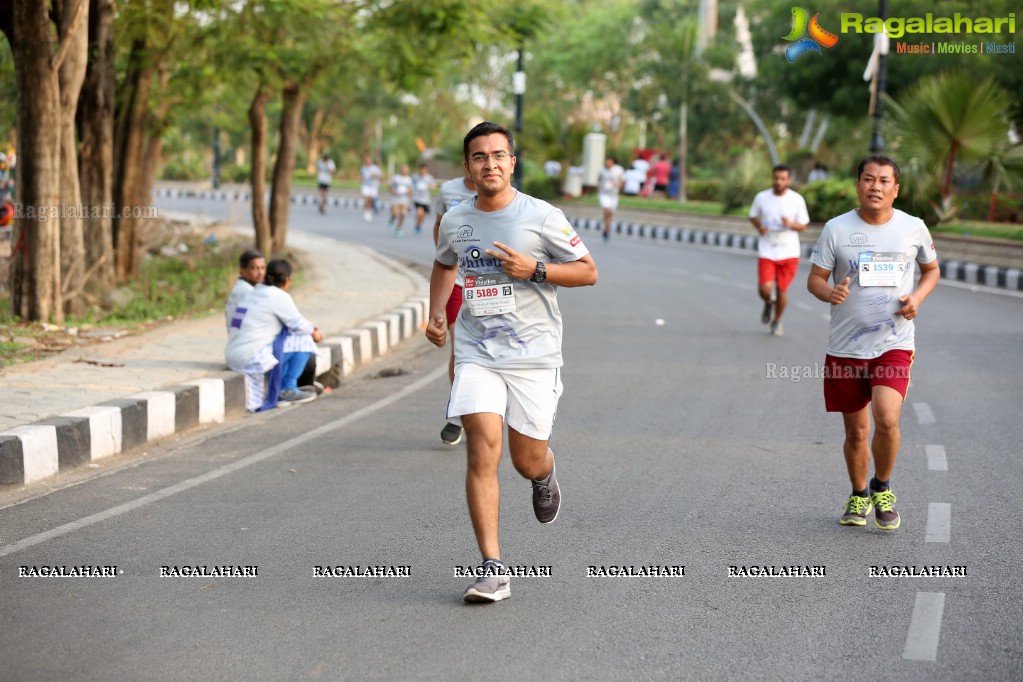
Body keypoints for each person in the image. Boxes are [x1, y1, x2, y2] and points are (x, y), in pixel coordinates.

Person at [426, 121, 598, 603]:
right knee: (482, 448)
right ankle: (492, 567)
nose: (490, 164)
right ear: (468, 167)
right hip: (478, 353)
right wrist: (437, 313)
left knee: (524, 460)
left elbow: (589, 272)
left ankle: (544, 473)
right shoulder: (456, 220)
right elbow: (444, 264)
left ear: (511, 163)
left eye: (498, 155)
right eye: (479, 157)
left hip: (534, 358)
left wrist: (537, 269)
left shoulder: (542, 216)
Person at [807, 155, 939, 531]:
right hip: (846, 347)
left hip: (894, 342)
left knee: (886, 417)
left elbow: (931, 270)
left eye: (884, 181)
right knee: (857, 431)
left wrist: (917, 299)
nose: (875, 187)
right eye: (868, 179)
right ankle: (858, 493)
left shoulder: (913, 228)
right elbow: (814, 279)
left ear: (896, 189)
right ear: (858, 185)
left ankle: (883, 488)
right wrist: (827, 292)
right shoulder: (836, 229)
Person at [226, 259, 325, 410]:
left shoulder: (252, 293)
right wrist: (315, 333)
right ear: (287, 280)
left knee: (285, 338)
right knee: (303, 338)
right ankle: (287, 387)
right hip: (250, 357)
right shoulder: (278, 296)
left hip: (233, 356)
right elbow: (300, 325)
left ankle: (282, 384)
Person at [432, 171, 477, 446]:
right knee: (460, 346)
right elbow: (439, 224)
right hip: (458, 282)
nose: (484, 165)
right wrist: (444, 254)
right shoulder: (448, 190)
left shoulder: (500, 193)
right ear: (466, 161)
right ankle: (459, 411)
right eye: (477, 157)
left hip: (489, 284)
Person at [748, 164, 810, 337]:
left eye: (783, 178)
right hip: (767, 250)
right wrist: (759, 226)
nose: (779, 181)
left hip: (789, 252)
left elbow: (803, 225)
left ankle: (777, 321)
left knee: (782, 289)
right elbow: (752, 215)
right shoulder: (762, 197)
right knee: (764, 288)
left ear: (788, 180)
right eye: (776, 178)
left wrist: (790, 224)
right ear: (772, 178)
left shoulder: (796, 199)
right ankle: (768, 301)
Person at [597, 156, 624, 242]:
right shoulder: (602, 170)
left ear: (612, 162)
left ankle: (606, 229)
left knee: (610, 213)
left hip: (614, 195)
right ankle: (606, 228)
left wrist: (617, 184)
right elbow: (598, 180)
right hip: (604, 194)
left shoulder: (618, 170)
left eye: (609, 161)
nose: (607, 163)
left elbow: (623, 181)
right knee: (607, 211)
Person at [388, 163, 414, 235]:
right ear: (400, 169)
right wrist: (393, 192)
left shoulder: (409, 179)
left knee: (403, 214)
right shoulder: (396, 178)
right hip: (395, 199)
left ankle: (399, 228)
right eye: (403, 168)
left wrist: (409, 192)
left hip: (404, 199)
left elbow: (411, 190)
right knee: (396, 214)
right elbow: (389, 187)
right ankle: (392, 219)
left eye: (406, 169)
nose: (404, 170)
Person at [412, 163, 436, 235]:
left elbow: (433, 185)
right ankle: (417, 225)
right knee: (419, 213)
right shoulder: (415, 177)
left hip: (426, 200)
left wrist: (430, 186)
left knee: (423, 215)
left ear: (426, 170)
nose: (422, 171)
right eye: (421, 169)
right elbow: (411, 185)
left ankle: (419, 225)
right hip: (417, 198)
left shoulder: (429, 177)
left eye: (424, 169)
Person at [360, 155, 382, 222]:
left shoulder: (375, 168)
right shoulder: (363, 168)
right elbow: (361, 176)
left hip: (372, 186)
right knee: (366, 198)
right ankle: (366, 211)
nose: (367, 162)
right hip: (365, 185)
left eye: (369, 160)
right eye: (366, 160)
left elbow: (379, 176)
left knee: (370, 199)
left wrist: (374, 176)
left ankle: (368, 212)